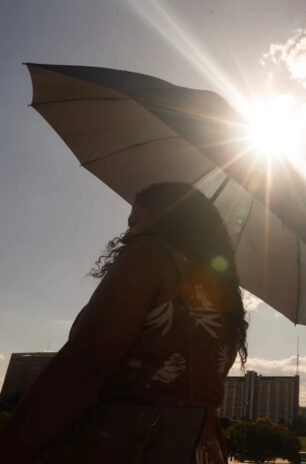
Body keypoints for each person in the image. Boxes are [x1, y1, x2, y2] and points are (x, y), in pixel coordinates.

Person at [0, 182, 247, 463]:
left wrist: (13, 445)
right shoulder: (228, 298)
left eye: (135, 219)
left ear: (165, 215)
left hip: (131, 443)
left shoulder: (150, 255)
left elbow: (86, 362)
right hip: (200, 449)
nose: (129, 229)